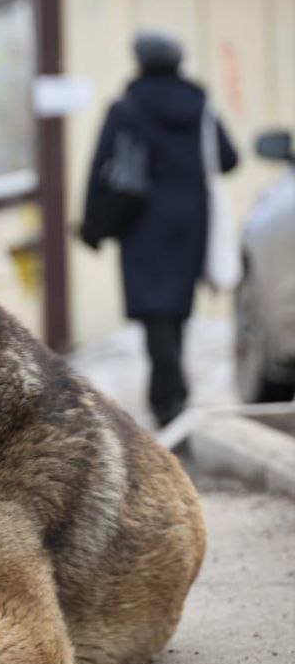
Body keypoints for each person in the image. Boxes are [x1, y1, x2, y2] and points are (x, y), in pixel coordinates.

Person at [82, 30, 238, 428]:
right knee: (177, 307)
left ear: (141, 62)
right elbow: (227, 157)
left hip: (142, 223)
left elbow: (101, 168)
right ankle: (172, 393)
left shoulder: (127, 106)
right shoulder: (200, 106)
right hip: (190, 219)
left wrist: (93, 224)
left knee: (155, 309)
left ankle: (167, 396)